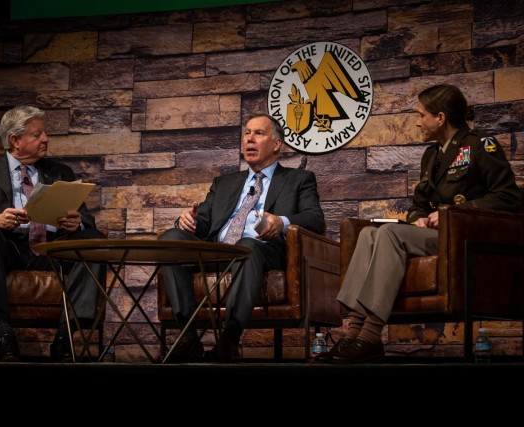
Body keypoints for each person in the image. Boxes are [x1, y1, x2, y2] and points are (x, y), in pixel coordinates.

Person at [317, 83, 521, 364]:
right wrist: (419, 218)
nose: (417, 121)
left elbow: (508, 197)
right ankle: (352, 334)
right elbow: (419, 205)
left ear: (440, 118)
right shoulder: (432, 156)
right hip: (436, 235)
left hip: (463, 238)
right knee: (368, 235)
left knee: (388, 235)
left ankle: (371, 335)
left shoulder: (479, 145)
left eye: (421, 115)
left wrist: (455, 212)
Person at [159, 113, 325, 362]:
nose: (249, 138)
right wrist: (188, 221)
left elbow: (316, 219)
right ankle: (188, 337)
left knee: (247, 245)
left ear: (277, 144)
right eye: (247, 133)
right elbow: (203, 223)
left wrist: (281, 222)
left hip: (261, 250)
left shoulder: (298, 179)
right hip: (218, 250)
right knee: (172, 238)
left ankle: (230, 339)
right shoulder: (225, 183)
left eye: (258, 133)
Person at [0, 105, 106, 362]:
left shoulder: (60, 172)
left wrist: (77, 223)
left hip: (51, 247)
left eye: (45, 134)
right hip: (8, 246)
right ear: (15, 140)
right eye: (37, 134)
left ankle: (65, 338)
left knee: (93, 241)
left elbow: (85, 217)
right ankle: (2, 332)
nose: (46, 139)